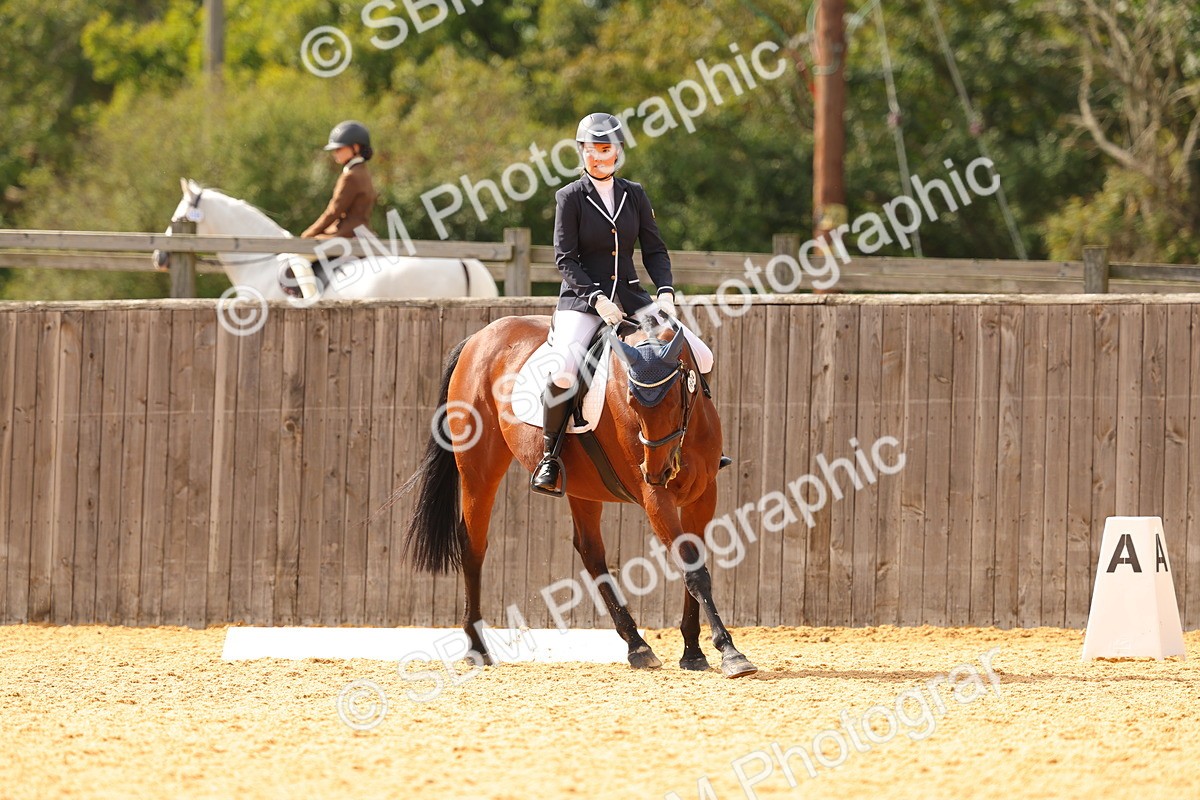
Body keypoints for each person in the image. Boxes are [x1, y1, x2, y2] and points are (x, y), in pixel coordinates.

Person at [530, 112, 728, 496]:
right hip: (583, 303)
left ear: (618, 153)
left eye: (605, 150)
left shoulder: (634, 194)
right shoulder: (569, 197)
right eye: (591, 151)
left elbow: (654, 248)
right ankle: (550, 456)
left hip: (636, 300)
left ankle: (697, 442)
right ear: (581, 153)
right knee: (566, 372)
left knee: (701, 356)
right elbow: (565, 259)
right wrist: (597, 299)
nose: (598, 157)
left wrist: (666, 290)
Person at [286, 121, 378, 298]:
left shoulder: (350, 176)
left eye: (339, 148)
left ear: (355, 147)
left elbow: (333, 212)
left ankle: (310, 300)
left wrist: (308, 234)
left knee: (297, 255)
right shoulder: (363, 171)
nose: (335, 153)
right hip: (362, 232)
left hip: (346, 234)